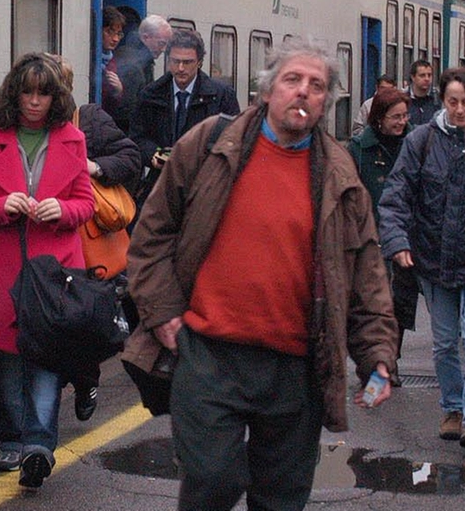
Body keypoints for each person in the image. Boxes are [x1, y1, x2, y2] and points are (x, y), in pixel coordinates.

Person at [124, 38, 399, 511]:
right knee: (213, 480)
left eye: (316, 86)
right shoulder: (210, 144)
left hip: (296, 366)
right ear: (268, 90)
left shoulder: (340, 173)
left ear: (326, 103)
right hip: (210, 354)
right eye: (293, 80)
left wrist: (377, 354)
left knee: (281, 499)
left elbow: (366, 273)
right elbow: (152, 235)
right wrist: (165, 314)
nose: (303, 92)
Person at [0, 54, 95, 490]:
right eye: (28, 91)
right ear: (13, 92)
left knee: (45, 357)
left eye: (44, 93)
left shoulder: (73, 138)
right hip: (5, 267)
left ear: (57, 98)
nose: (35, 101)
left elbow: (87, 203)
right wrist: (2, 206)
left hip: (54, 269)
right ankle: (13, 440)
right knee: (11, 359)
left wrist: (63, 209)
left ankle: (37, 445)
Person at [378, 67, 465, 457]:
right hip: (433, 259)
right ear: (442, 101)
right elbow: (397, 194)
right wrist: (397, 241)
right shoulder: (422, 141)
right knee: (442, 344)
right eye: (452, 102)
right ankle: (452, 408)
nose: (459, 110)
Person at [49, 54, 142, 421]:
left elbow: (130, 157)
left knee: (81, 324)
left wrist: (96, 167)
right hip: (45, 239)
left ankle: (87, 378)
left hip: (85, 243)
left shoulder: (89, 120)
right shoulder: (20, 127)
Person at [349, 85, 416, 374]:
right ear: (379, 118)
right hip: (370, 235)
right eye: (395, 117)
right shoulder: (358, 150)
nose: (401, 122)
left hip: (404, 235)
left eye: (404, 116)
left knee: (399, 302)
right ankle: (379, 362)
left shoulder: (414, 144)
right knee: (374, 303)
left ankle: (391, 359)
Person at [130, 28, 241, 199]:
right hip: (162, 186)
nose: (180, 68)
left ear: (199, 62)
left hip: (204, 188)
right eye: (175, 61)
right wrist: (154, 154)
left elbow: (234, 141)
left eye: (187, 62)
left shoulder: (221, 96)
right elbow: (137, 137)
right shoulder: (150, 95)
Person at [108, 14, 173, 131]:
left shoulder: (128, 54)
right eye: (161, 43)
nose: (163, 50)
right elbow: (128, 112)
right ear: (146, 37)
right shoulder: (134, 68)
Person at [97, 6, 127, 118]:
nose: (115, 39)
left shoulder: (114, 63)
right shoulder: (91, 60)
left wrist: (119, 91)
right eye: (110, 32)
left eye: (119, 34)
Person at [405, 59, 439, 128]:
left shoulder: (438, 99)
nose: (427, 79)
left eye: (429, 75)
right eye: (422, 75)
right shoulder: (403, 98)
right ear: (413, 77)